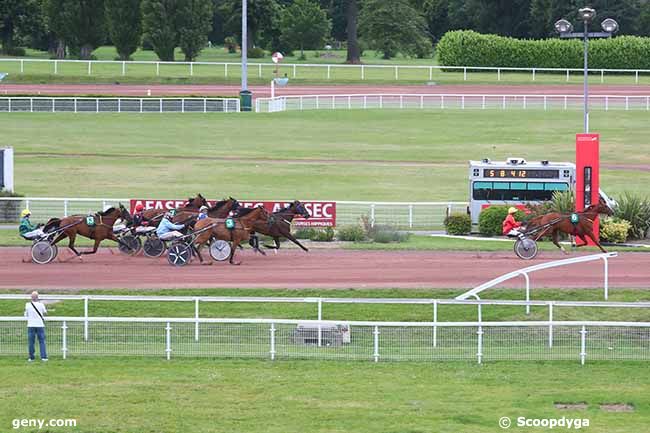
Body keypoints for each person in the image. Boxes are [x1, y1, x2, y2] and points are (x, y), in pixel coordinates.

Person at [25, 291, 47, 362]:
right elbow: (45, 312)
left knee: (31, 342)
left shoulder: (27, 305)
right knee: (42, 342)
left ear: (31, 297)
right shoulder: (41, 304)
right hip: (40, 325)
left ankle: (31, 357)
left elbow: (26, 314)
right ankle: (43, 357)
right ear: (38, 297)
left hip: (31, 325)